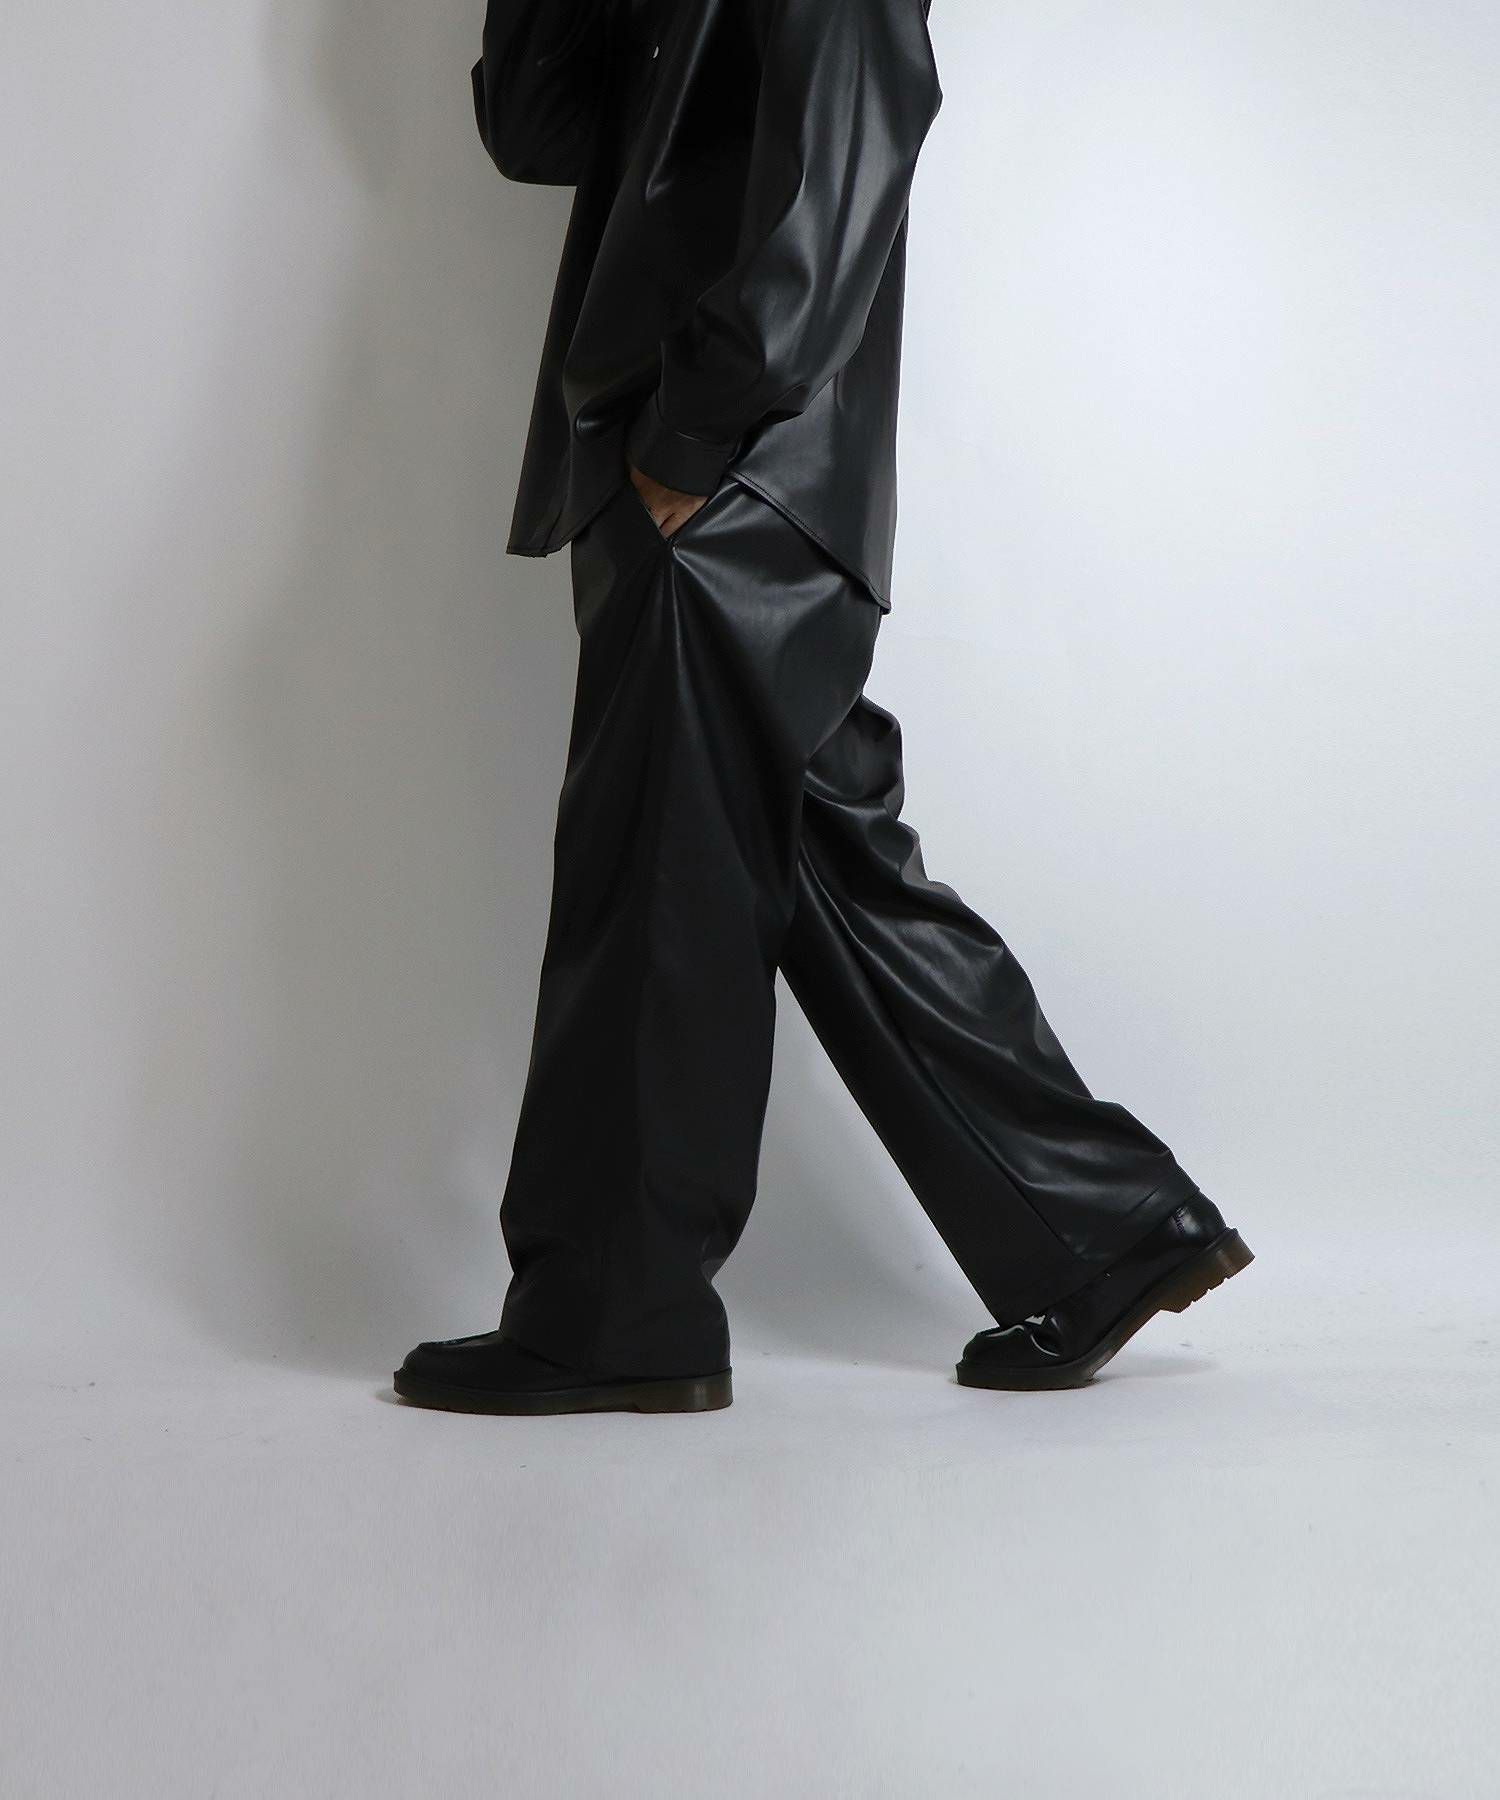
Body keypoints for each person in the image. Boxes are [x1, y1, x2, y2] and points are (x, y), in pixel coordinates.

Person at [395, 0, 1252, 1416]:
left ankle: (616, 1313)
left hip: (729, 477)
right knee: (824, 865)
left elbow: (850, 157)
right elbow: (534, 129)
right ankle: (1102, 1232)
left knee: (655, 891)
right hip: (693, 471)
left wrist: (693, 437)